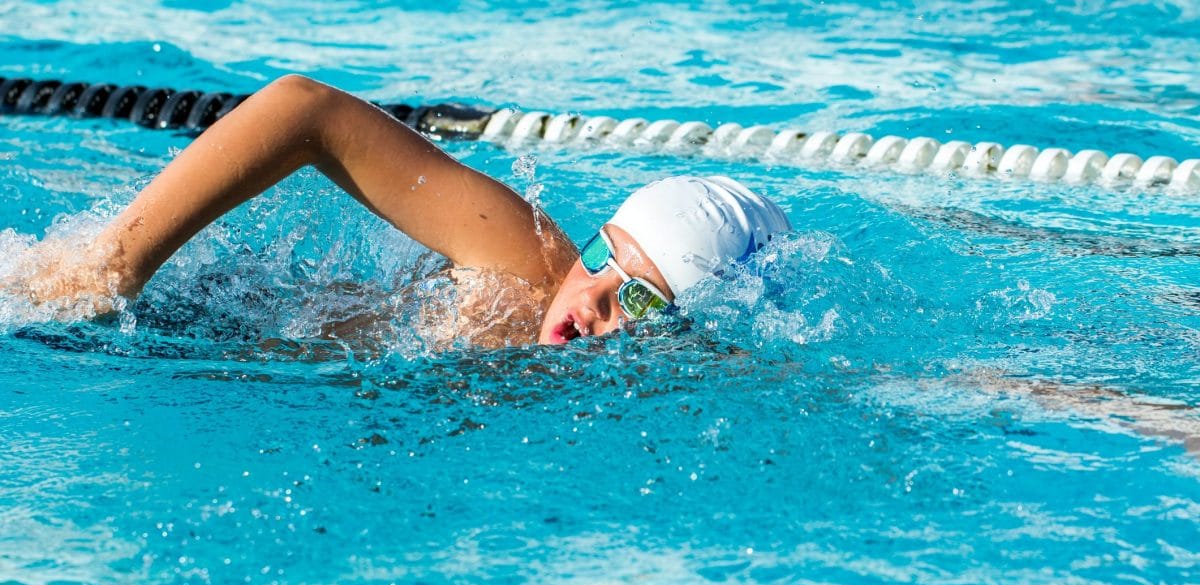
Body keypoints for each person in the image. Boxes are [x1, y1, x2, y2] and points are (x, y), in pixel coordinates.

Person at [8, 75, 791, 348]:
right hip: (181, 320)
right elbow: (304, 109)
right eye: (598, 257)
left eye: (638, 299)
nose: (590, 299)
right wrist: (111, 265)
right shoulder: (525, 263)